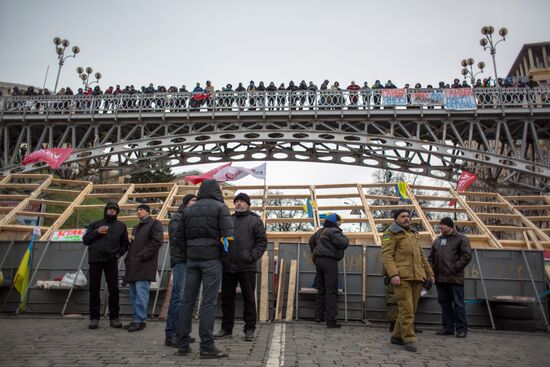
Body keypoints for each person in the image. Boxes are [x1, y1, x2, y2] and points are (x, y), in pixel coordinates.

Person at [174, 179, 234, 359]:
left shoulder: (189, 209)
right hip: (212, 260)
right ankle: (207, 346)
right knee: (208, 302)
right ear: (217, 190)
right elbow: (228, 238)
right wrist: (225, 259)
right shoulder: (220, 207)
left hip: (192, 260)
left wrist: (188, 255)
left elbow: (178, 237)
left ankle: (182, 344)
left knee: (187, 301)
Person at [215, 193, 267, 341]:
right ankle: (226, 329)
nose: (238, 203)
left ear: (248, 204)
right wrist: (223, 258)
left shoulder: (255, 221)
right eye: (236, 201)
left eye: (242, 201)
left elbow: (262, 242)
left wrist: (251, 256)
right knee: (226, 299)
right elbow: (221, 240)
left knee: (249, 299)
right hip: (228, 266)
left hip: (247, 267)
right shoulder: (228, 220)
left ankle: (249, 329)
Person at [381, 208, 434, 352]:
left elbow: (422, 256)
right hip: (402, 277)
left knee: (411, 309)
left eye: (408, 216)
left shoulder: (413, 234)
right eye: (403, 216)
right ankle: (409, 338)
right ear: (396, 219)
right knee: (407, 309)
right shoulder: (390, 234)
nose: (406, 218)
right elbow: (387, 256)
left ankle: (397, 336)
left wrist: (430, 274)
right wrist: (394, 274)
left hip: (417, 277)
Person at [83, 202, 129, 330]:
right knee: (94, 289)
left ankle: (114, 318)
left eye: (114, 210)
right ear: (106, 210)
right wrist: (97, 232)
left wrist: (118, 254)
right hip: (95, 260)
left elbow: (125, 244)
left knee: (114, 289)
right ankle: (94, 318)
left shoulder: (121, 226)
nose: (112, 211)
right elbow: (86, 240)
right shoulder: (95, 224)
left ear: (117, 212)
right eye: (110, 209)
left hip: (111, 260)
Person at [428, 217, 471, 338]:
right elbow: (431, 257)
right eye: (440, 226)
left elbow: (466, 256)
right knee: (444, 303)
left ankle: (461, 329)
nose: (440, 228)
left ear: (450, 226)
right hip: (440, 278)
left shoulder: (461, 239)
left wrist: (454, 268)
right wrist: (432, 270)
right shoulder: (438, 240)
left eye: (443, 226)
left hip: (454, 278)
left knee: (458, 304)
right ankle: (448, 327)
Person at [124, 204, 164, 332]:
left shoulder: (155, 224)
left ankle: (140, 320)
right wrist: (128, 259)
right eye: (137, 210)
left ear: (147, 211)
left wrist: (142, 256)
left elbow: (157, 242)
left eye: (141, 210)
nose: (138, 212)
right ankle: (136, 319)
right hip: (133, 265)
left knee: (141, 294)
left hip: (145, 265)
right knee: (134, 295)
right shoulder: (136, 228)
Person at [164, 194, 197, 347]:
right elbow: (178, 239)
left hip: (190, 261)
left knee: (186, 298)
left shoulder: (191, 217)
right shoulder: (178, 217)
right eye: (193, 200)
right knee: (179, 296)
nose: (196, 203)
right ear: (186, 203)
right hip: (182, 261)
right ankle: (171, 334)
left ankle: (182, 332)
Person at [308, 213, 349, 328]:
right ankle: (331, 320)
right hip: (329, 262)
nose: (340, 224)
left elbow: (311, 241)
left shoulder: (320, 231)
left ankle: (318, 316)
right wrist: (344, 235)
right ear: (335, 222)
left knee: (321, 289)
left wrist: (315, 252)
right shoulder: (333, 231)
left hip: (319, 261)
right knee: (331, 290)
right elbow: (344, 243)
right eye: (339, 222)